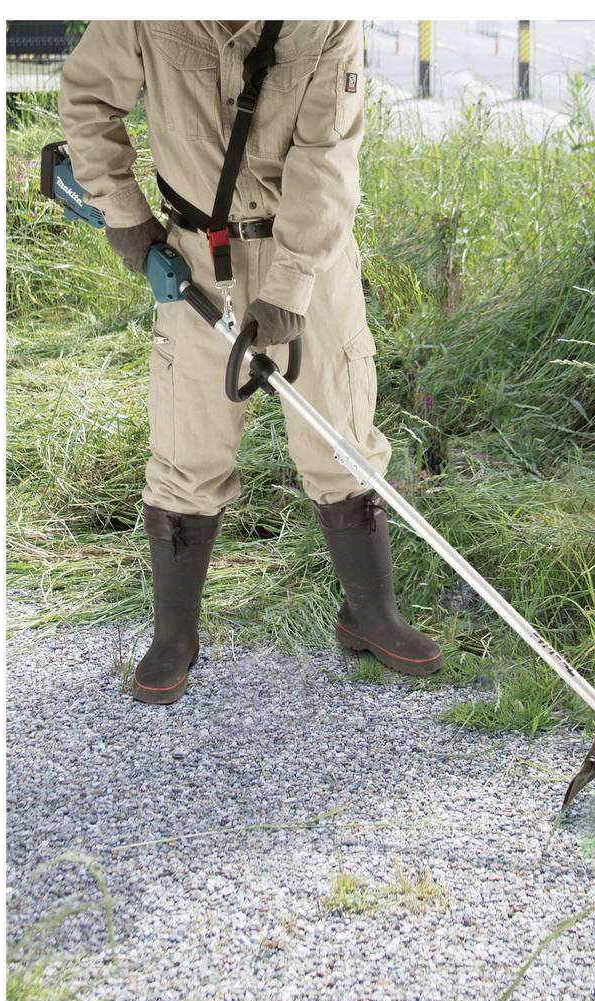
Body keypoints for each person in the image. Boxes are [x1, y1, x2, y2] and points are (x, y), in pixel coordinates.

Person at [59, 20, 443, 705]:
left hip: (311, 258)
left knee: (340, 441)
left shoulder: (327, 19)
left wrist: (290, 285)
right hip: (196, 255)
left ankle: (369, 613)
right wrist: (128, 221)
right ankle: (175, 634)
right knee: (187, 452)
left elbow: (328, 153)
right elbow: (89, 98)